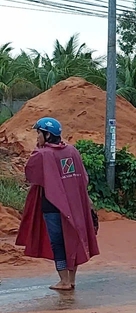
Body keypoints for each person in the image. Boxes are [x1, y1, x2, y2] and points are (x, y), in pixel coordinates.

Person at [15, 117, 99, 291]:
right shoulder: (72, 151)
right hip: (75, 203)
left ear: (47, 134)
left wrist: (39, 150)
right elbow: (83, 179)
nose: (37, 137)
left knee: (58, 243)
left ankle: (64, 281)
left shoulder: (43, 154)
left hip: (52, 206)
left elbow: (31, 175)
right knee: (73, 239)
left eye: (38, 133)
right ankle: (72, 279)